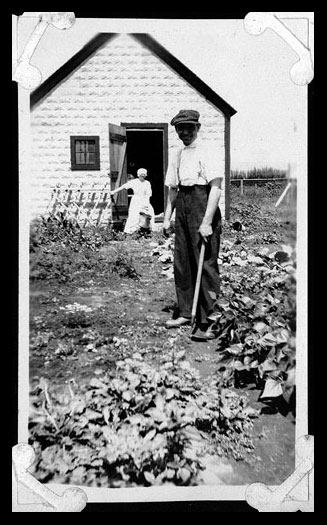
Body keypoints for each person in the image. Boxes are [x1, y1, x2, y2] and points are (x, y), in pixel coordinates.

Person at [163, 109, 222, 340]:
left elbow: (215, 188)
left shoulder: (209, 151)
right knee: (182, 262)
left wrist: (207, 222)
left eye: (189, 128)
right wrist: (167, 218)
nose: (184, 132)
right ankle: (186, 312)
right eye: (180, 128)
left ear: (197, 127)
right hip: (183, 209)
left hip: (202, 205)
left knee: (205, 264)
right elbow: (173, 190)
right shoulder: (177, 154)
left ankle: (211, 320)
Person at [110, 168, 155, 234]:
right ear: (138, 175)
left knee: (149, 213)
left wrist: (146, 204)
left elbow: (148, 194)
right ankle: (131, 231)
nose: (142, 176)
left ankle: (147, 230)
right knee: (134, 215)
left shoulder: (147, 183)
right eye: (141, 175)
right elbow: (124, 186)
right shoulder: (134, 182)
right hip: (136, 201)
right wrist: (114, 191)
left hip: (144, 200)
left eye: (144, 175)